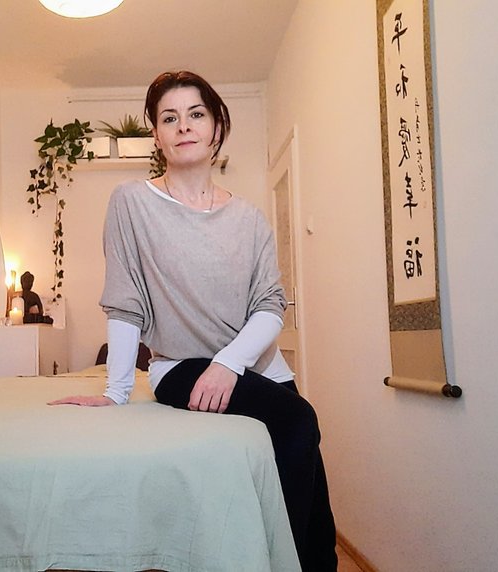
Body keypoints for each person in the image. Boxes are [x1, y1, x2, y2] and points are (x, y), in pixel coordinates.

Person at [49, 70, 337, 570]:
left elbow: (270, 304)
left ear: (216, 127)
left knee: (315, 500)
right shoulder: (132, 202)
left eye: (196, 114)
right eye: (170, 118)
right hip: (180, 366)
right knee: (300, 420)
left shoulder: (250, 219)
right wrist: (116, 391)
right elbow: (125, 303)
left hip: (257, 367)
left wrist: (228, 363)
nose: (184, 126)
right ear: (157, 135)